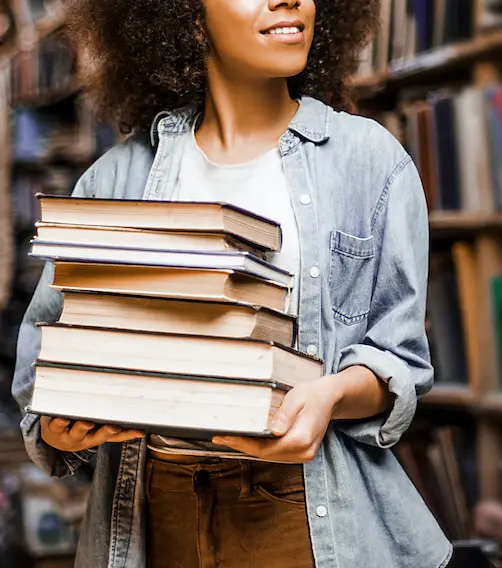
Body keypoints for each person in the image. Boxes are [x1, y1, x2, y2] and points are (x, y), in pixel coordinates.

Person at [12, 0, 452, 567]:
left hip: (309, 512)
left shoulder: (370, 161)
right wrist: (58, 424)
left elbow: (402, 363)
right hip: (153, 509)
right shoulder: (115, 179)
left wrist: (332, 396)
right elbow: (44, 356)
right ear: (186, 17)